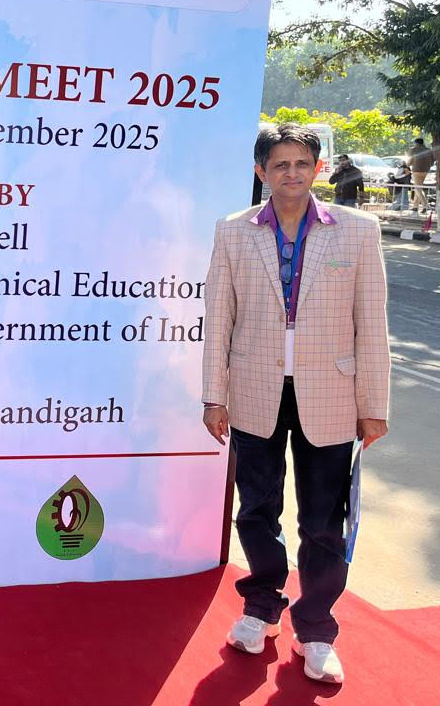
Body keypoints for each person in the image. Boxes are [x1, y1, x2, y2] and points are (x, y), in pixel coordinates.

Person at [202, 123, 390, 685]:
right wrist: (213, 395)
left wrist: (373, 404)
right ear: (261, 171)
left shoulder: (357, 231)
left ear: (318, 169)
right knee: (256, 509)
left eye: (302, 163)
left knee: (323, 521)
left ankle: (316, 630)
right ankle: (261, 608)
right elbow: (219, 319)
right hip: (254, 390)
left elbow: (371, 323)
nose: (292, 173)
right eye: (280, 164)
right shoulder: (234, 231)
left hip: (331, 394)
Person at [408, 137, 435, 212]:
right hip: (426, 170)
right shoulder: (429, 150)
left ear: (416, 143)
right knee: (419, 187)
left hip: (416, 170)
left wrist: (407, 165)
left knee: (417, 188)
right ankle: (415, 206)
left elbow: (410, 160)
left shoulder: (413, 149)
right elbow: (433, 161)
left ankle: (426, 206)